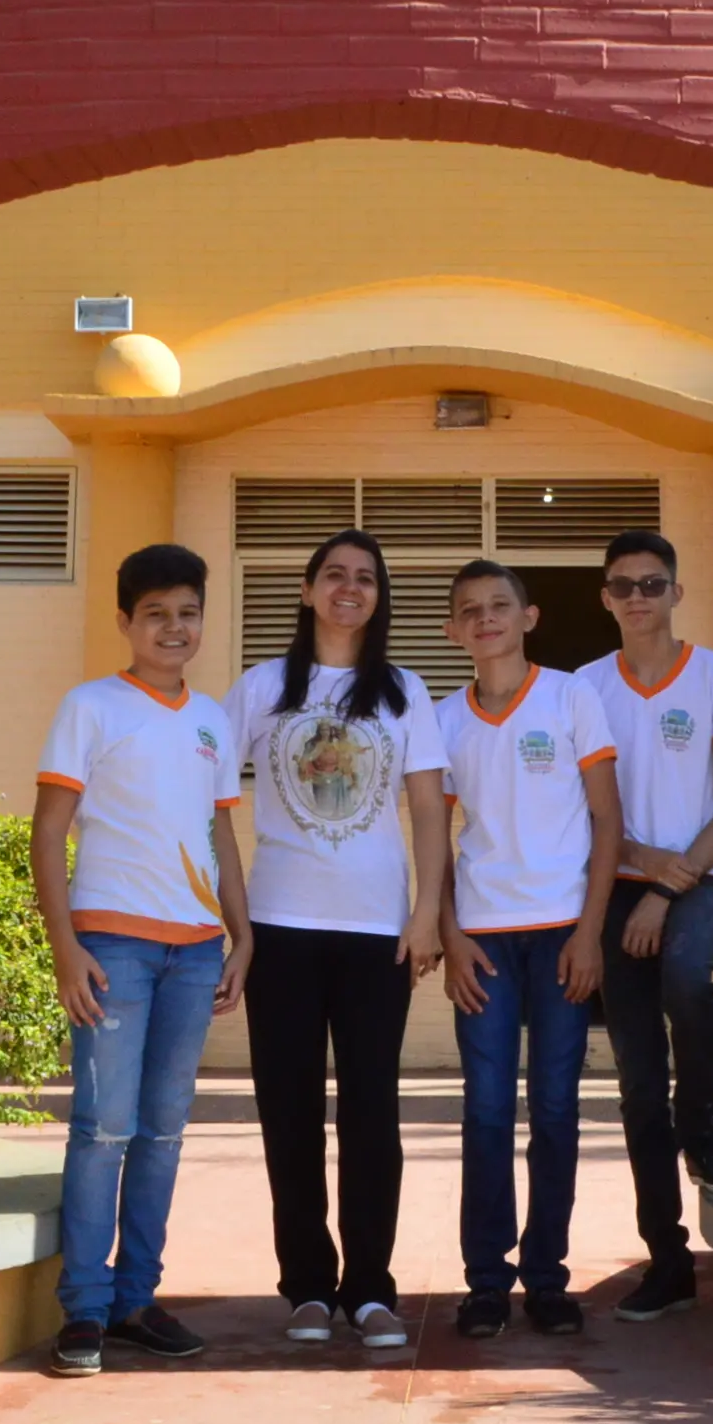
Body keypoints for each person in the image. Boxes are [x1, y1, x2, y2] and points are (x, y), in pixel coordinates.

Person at [29, 543, 252, 1378]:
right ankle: (85, 1310)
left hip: (195, 952)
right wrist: (66, 948)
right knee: (103, 1129)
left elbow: (219, 832)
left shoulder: (212, 719)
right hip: (113, 947)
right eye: (155, 614)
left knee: (162, 1131)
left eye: (188, 613)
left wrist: (242, 933)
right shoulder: (90, 706)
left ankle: (136, 1300)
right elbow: (48, 831)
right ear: (125, 621)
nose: (173, 628)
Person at [224, 528, 450, 1351]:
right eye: (334, 575)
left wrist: (426, 914)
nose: (349, 588)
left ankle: (370, 1289)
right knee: (288, 1112)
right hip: (280, 928)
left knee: (371, 1113)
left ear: (379, 597)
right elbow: (210, 801)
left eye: (366, 578)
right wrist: (237, 925)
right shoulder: (260, 687)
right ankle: (309, 1289)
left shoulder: (404, 690)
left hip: (375, 932)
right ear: (307, 590)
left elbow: (429, 808)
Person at [435, 558, 621, 1340]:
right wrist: (449, 934)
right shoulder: (443, 720)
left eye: (499, 605)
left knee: (554, 1108)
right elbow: (433, 840)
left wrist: (589, 932)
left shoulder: (572, 697)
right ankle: (486, 1281)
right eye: (470, 610)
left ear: (528, 617)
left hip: (560, 937)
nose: (486, 619)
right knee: (484, 1110)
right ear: (454, 630)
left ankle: (547, 1278)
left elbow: (607, 821)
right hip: (482, 939)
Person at [585, 529, 713, 1324]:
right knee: (637, 1084)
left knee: (688, 980)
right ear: (605, 598)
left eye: (652, 584)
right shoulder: (585, 688)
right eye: (623, 586)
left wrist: (667, 884)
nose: (638, 598)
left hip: (697, 873)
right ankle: (667, 1260)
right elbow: (584, 811)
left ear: (676, 593)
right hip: (616, 880)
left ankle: (705, 1128)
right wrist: (638, 866)